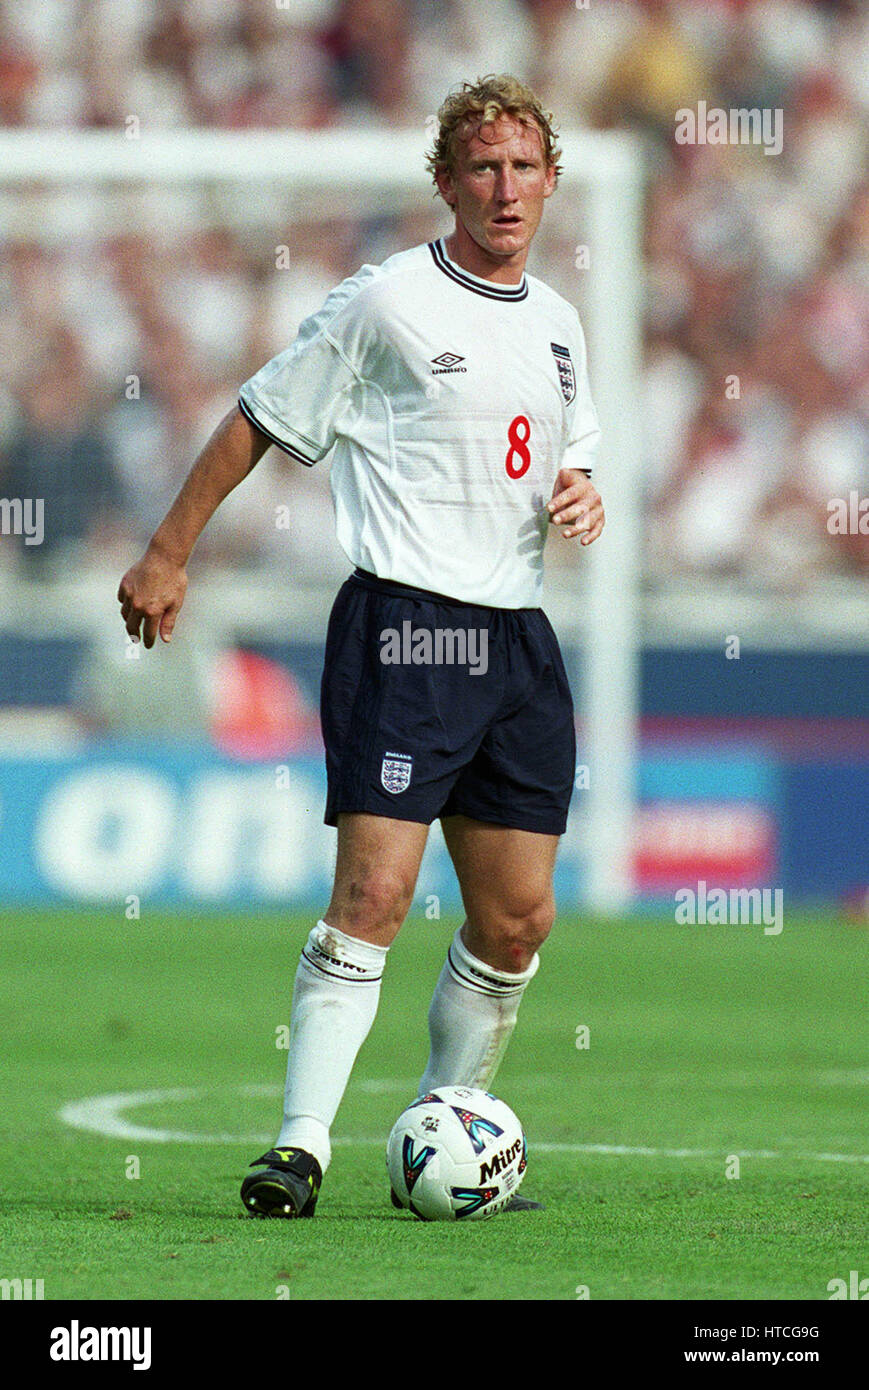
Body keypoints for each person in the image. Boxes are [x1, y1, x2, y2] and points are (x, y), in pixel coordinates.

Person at [117, 73, 604, 1219]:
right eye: (481, 167)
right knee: (376, 892)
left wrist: (579, 493)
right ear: (443, 181)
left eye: (523, 167)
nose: (504, 189)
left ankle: (451, 1128)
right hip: (406, 628)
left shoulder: (557, 322)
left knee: (517, 918)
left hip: (517, 642)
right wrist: (168, 550)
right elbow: (256, 418)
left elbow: (563, 455)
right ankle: (298, 1148)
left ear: (549, 182)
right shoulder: (384, 302)